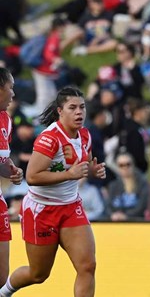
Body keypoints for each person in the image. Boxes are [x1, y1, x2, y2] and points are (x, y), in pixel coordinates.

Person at [0, 86, 106, 297]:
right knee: (38, 274)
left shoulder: (85, 135)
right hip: (42, 210)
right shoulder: (49, 139)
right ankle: (3, 292)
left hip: (71, 207)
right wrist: (70, 174)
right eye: (73, 107)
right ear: (60, 111)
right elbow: (32, 177)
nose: (79, 112)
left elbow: (82, 164)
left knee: (87, 266)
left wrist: (92, 170)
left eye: (82, 107)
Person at [0, 68, 25, 289]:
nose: (13, 94)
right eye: (11, 88)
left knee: (1, 276)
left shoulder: (6, 120)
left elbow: (2, 162)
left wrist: (11, 171)